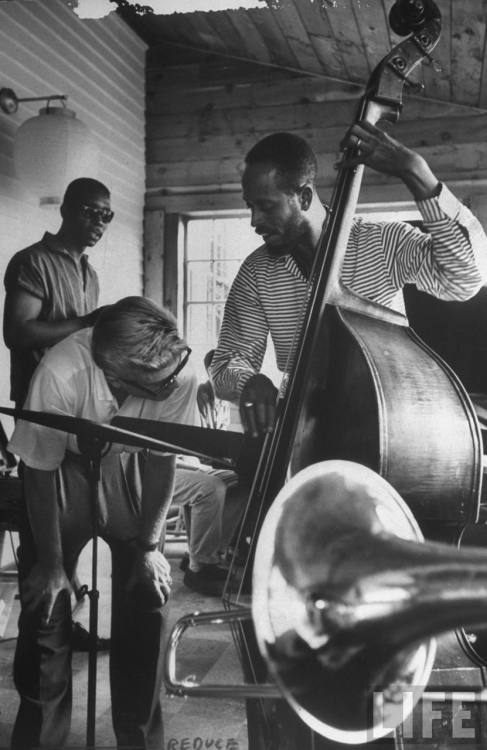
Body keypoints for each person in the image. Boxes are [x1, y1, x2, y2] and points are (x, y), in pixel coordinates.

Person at [7, 296, 197, 750]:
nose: (172, 386)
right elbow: (38, 468)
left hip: (129, 466)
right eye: (157, 385)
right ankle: (40, 738)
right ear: (115, 376)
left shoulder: (179, 369)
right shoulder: (59, 372)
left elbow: (162, 461)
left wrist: (150, 548)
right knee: (46, 597)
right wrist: (52, 563)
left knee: (146, 589)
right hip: (61, 468)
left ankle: (139, 738)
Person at [210, 128, 487, 436]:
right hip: (306, 435)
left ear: (303, 197)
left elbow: (465, 279)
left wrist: (416, 171)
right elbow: (225, 366)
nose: (254, 221)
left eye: (266, 206)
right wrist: (250, 380)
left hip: (392, 427)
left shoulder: (382, 242)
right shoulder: (256, 272)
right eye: (250, 206)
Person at [3, 177, 112, 650]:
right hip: (41, 416)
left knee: (73, 534)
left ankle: (68, 626)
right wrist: (89, 322)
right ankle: (40, 643)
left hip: (78, 415)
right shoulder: (31, 261)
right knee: (41, 542)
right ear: (65, 209)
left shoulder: (89, 273)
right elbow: (18, 332)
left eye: (106, 215)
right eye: (90, 211)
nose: (98, 223)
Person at [173, 350, 245, 597]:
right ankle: (199, 562)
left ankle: (211, 554)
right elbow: (194, 447)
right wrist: (221, 461)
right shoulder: (198, 396)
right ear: (211, 374)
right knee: (212, 486)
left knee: (242, 484)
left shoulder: (224, 401)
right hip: (183, 461)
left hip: (201, 462)